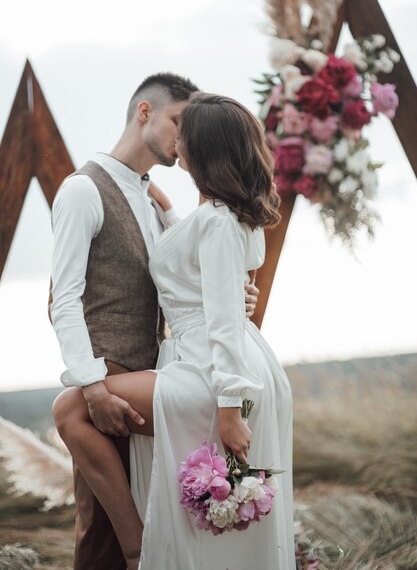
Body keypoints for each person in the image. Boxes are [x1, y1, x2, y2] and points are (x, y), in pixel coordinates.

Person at [53, 92, 295, 570]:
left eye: (186, 132)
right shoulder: (216, 215)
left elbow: (224, 317)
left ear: (204, 147)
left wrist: (230, 407)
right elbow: (202, 272)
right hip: (206, 358)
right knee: (205, 515)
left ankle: (136, 547)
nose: (176, 141)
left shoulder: (220, 221)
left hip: (212, 366)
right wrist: (164, 211)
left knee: (70, 409)